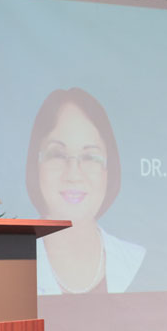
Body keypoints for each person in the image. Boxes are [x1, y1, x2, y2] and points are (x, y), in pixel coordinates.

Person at [26, 88, 146, 295]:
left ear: (108, 170)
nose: (74, 174)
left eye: (90, 157)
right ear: (36, 166)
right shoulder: (9, 266)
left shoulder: (137, 264)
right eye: (58, 154)